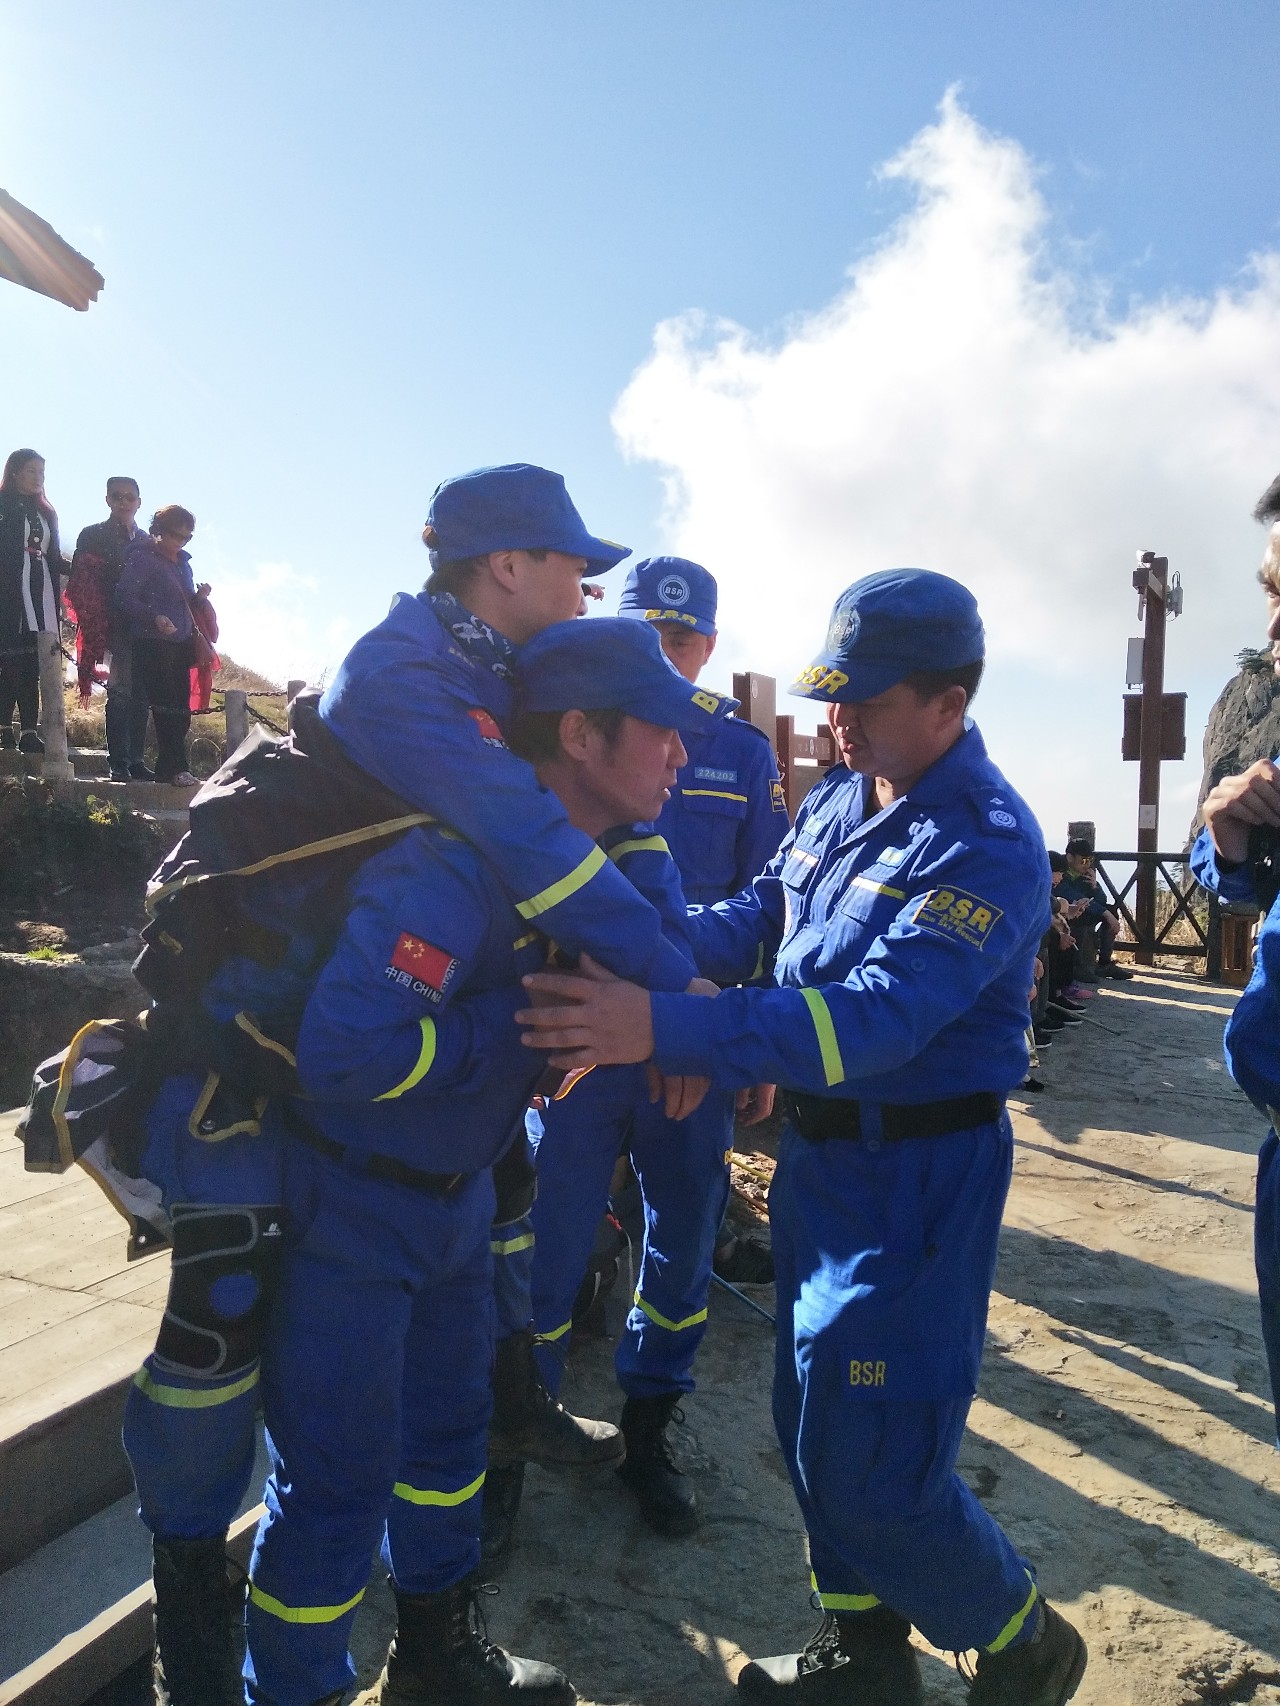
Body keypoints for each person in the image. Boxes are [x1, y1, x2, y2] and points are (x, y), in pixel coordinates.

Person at [517, 569, 1089, 1706]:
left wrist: (670, 1028)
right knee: (808, 1414)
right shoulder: (843, 797)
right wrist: (662, 965)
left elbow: (876, 1014)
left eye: (864, 699)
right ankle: (861, 1654)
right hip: (825, 1167)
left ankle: (1019, 1638)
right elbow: (761, 916)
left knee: (875, 1445)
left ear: (946, 700)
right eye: (833, 694)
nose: (836, 718)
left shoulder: (984, 841)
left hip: (917, 1174)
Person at [243, 618, 734, 1706]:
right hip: (354, 1213)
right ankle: (294, 1689)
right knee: (333, 1483)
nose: (679, 755)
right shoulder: (449, 871)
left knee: (449, 1442)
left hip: (457, 1203)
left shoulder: (572, 870)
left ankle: (437, 1653)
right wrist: (510, 1029)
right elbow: (342, 1049)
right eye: (658, 730)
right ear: (580, 733)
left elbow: (652, 971)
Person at [510, 556, 786, 1547]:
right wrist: (672, 991)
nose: (661, 654)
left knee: (681, 1238)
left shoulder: (739, 752)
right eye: (645, 634)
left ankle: (648, 1427)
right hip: (583, 1029)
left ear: (707, 645)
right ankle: (518, 1440)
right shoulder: (567, 736)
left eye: (680, 639)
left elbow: (768, 904)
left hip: (681, 1042)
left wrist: (696, 1014)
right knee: (543, 1245)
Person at [1191, 512, 1280, 1449]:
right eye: (1270, 590)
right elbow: (1224, 878)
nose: (1277, 627)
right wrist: (1227, 836)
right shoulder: (1261, 698)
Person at [117, 505, 212, 786]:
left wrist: (200, 597)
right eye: (175, 534)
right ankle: (175, 769)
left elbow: (184, 604)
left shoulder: (183, 563)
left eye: (187, 537)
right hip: (152, 642)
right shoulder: (143, 559)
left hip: (180, 642)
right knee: (165, 707)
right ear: (157, 531)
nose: (180, 541)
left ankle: (166, 769)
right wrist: (154, 617)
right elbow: (123, 596)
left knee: (180, 709)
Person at [66, 475, 153, 779]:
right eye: (117, 496)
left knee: (142, 694)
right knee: (120, 692)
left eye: (130, 497)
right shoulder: (92, 535)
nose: (123, 502)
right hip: (111, 624)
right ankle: (119, 762)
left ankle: (137, 761)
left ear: (139, 503)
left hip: (145, 628)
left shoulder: (147, 541)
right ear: (107, 500)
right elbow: (81, 580)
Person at [0, 448, 65, 753]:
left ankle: (28, 730)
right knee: (9, 659)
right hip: (9, 591)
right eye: (31, 471)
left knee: (33, 662)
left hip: (41, 590)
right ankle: (3, 728)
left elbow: (51, 554)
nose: (38, 477)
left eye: (42, 472)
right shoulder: (2, 504)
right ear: (14, 472)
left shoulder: (47, 512)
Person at [1058, 840, 1132, 981]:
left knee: (1110, 911)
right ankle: (1076, 967)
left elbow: (1101, 901)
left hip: (1083, 910)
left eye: (1089, 860)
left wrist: (1095, 887)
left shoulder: (1084, 874)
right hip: (1064, 915)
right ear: (1069, 857)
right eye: (1083, 860)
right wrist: (1105, 913)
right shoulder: (1060, 872)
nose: (1087, 864)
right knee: (1085, 917)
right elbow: (1072, 896)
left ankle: (1104, 963)